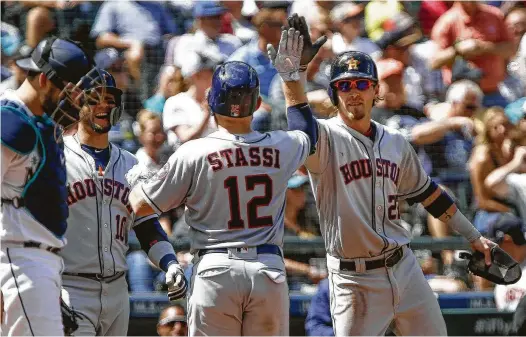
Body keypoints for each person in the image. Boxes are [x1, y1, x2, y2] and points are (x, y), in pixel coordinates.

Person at [275, 14, 496, 336]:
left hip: (404, 266)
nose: (354, 92)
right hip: (354, 278)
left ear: (375, 89)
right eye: (344, 86)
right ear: (334, 94)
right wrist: (293, 79)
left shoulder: (394, 141)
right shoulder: (326, 139)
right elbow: (301, 126)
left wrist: (474, 236)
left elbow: (429, 195)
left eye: (361, 84)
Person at [129, 59, 318, 336]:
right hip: (267, 269)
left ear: (211, 100)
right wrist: (291, 79)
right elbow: (308, 134)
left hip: (215, 269)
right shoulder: (280, 145)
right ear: (256, 105)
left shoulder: (194, 152)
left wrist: (167, 258)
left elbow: (141, 206)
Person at [60, 69, 186, 335]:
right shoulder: (58, 157)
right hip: (71, 286)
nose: (104, 106)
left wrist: (169, 262)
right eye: (94, 99)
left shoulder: (130, 164)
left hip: (118, 290)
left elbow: (146, 224)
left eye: (110, 99)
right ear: (78, 102)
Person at [0, 36, 97, 336]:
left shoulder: (39, 121)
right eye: (69, 91)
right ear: (44, 79)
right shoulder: (10, 120)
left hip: (36, 262)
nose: (76, 100)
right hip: (18, 259)